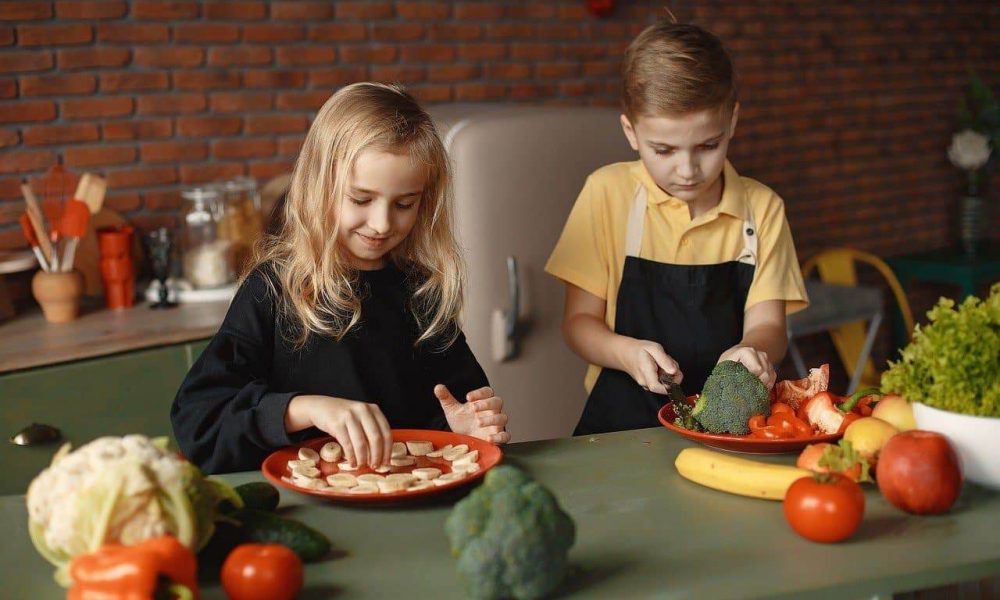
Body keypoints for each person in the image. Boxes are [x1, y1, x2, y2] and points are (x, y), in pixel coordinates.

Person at [172, 82, 511, 473]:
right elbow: (200, 424)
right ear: (320, 185)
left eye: (404, 204)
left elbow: (451, 421)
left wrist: (467, 430)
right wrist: (302, 409)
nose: (382, 223)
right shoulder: (272, 290)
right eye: (361, 199)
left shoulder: (422, 294)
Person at [545, 21, 808, 435]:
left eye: (708, 146)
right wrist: (626, 352)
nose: (687, 170)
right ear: (631, 132)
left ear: (732, 122)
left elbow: (771, 327)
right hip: (621, 424)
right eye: (664, 150)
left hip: (729, 429)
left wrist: (751, 350)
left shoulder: (762, 209)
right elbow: (578, 323)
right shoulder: (607, 193)